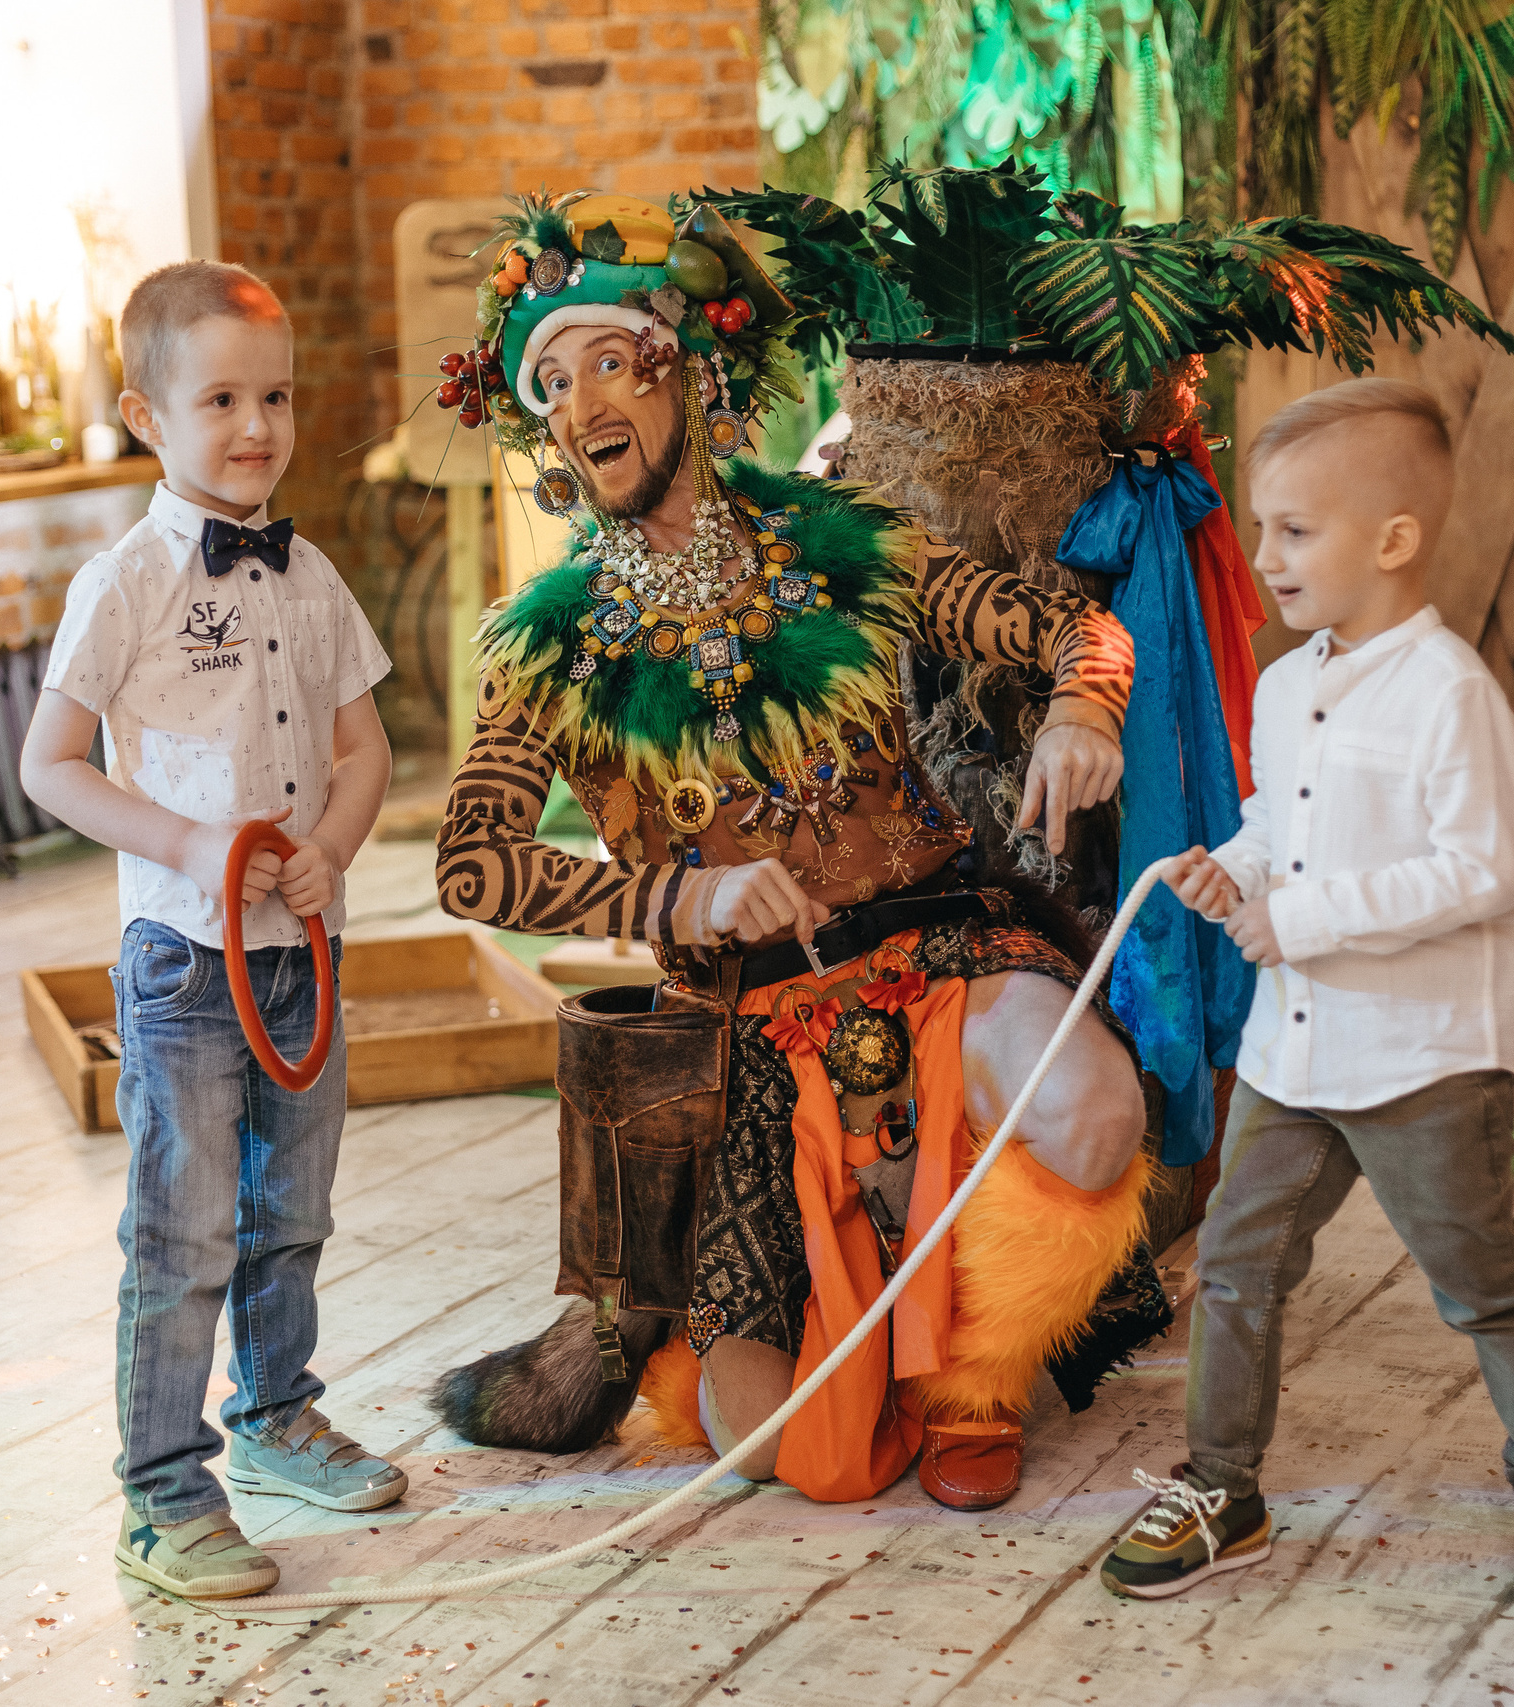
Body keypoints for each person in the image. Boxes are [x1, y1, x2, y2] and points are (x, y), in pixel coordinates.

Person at [427, 191, 1161, 1511]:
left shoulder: (843, 544)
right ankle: (856, 1303)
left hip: (940, 941)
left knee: (1095, 1104)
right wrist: (673, 889)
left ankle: (975, 1372)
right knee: (783, 1450)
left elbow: (1072, 624)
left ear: (696, 374)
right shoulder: (546, 645)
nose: (581, 397)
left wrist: (1079, 710)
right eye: (549, 379)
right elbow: (470, 867)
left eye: (610, 356)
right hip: (746, 1025)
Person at [1100, 379, 1514, 1613]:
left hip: (1422, 1063)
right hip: (1296, 1058)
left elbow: (1482, 867)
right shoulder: (1285, 686)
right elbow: (1284, 820)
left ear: (1392, 541)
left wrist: (1302, 918)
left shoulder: (1450, 695)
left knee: (1479, 1280)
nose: (1262, 555)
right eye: (1261, 526)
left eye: (1293, 530)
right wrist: (1240, 868)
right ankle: (1223, 1483)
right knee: (1233, 1264)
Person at [19, 260, 401, 1600]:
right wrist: (187, 842)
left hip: (310, 954)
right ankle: (163, 1489)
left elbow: (367, 747)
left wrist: (333, 851)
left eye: (277, 395)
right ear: (146, 413)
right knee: (181, 1232)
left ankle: (277, 1414)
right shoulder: (123, 583)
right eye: (223, 397)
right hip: (186, 961)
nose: (257, 424)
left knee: (290, 1205)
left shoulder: (311, 577)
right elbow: (49, 763)